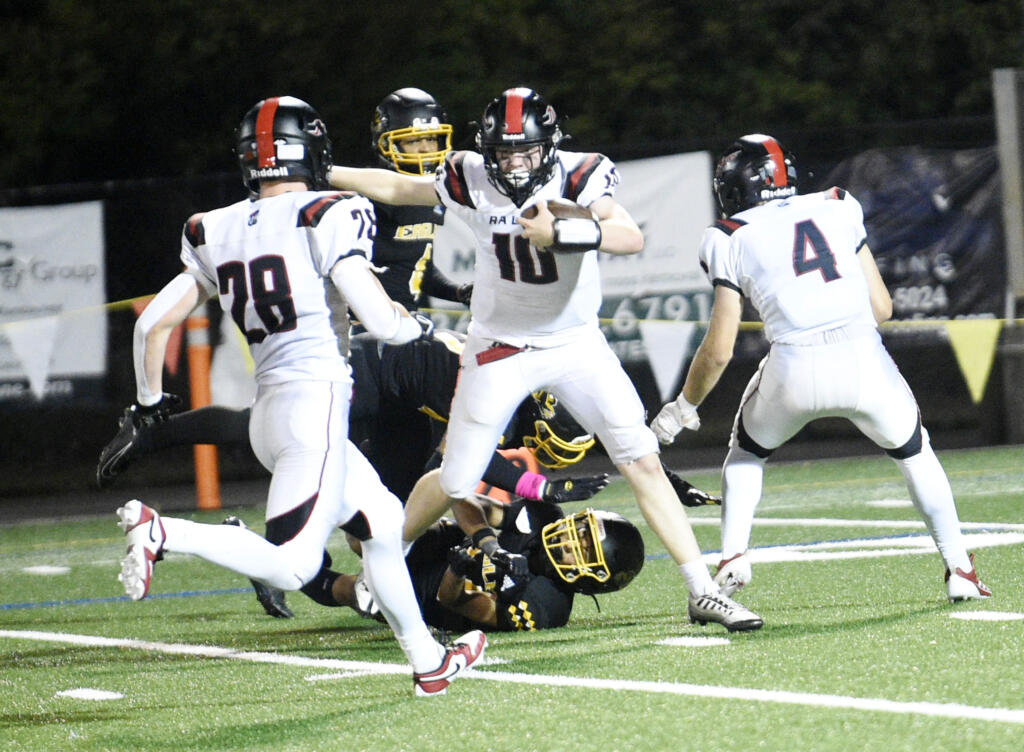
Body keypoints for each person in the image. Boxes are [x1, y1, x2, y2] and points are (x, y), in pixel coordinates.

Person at [328, 86, 762, 632]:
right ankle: (379, 566)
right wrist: (325, 172)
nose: (513, 163)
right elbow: (398, 185)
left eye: (525, 152)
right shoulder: (468, 175)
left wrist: (566, 230)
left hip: (576, 343)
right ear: (487, 150)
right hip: (499, 348)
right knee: (456, 478)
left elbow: (627, 236)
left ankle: (701, 589)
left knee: (641, 456)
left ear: (550, 146)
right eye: (503, 153)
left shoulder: (581, 174)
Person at [113, 95, 485, 697]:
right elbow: (379, 319)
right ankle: (164, 533)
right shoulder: (330, 210)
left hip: (273, 411)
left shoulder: (211, 226)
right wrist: (422, 331)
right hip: (316, 405)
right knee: (294, 564)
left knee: (385, 523)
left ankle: (427, 661)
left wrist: (149, 404)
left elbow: (150, 325)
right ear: (312, 152)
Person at [98, 329, 715, 617]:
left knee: (378, 516)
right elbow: (458, 466)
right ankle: (161, 431)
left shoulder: (539, 389)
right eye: (557, 439)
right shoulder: (507, 387)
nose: (552, 446)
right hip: (379, 376)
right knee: (280, 433)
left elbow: (468, 471)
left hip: (402, 408)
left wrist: (671, 482)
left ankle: (280, 556)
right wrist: (533, 493)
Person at [650, 133, 991, 609]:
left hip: (793, 365)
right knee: (915, 453)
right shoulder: (837, 205)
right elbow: (883, 307)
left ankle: (732, 558)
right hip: (863, 359)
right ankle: (959, 569)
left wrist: (683, 406)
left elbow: (720, 348)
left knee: (747, 452)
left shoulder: (727, 235)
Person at [335, 493, 645, 632]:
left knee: (351, 591)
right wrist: (489, 543)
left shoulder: (545, 607)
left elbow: (451, 600)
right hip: (447, 543)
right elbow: (464, 499)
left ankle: (304, 574)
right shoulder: (542, 516)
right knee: (367, 535)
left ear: (593, 577)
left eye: (585, 548)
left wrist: (458, 569)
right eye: (581, 530)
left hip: (431, 599)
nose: (571, 538)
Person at [364, 87, 472, 313]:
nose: (425, 149)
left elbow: (417, 268)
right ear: (388, 145)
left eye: (431, 139)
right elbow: (347, 272)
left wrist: (458, 291)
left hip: (407, 321)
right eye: (413, 141)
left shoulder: (434, 192)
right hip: (364, 324)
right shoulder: (367, 200)